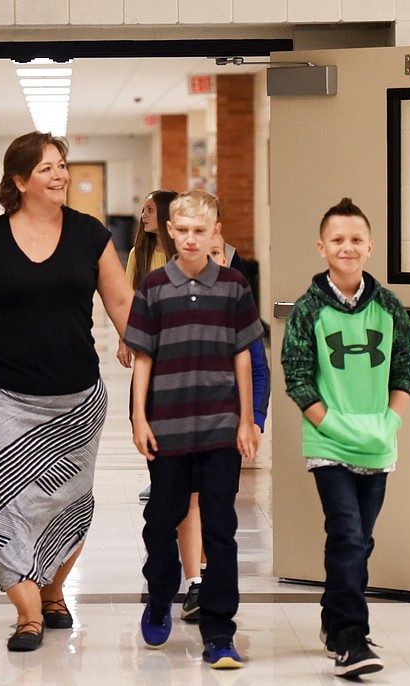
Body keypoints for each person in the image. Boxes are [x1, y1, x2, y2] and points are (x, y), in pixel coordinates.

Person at [0, 131, 135, 652]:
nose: (60, 174)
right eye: (47, 167)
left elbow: (122, 302)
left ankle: (53, 592)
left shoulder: (90, 234)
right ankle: (27, 613)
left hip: (76, 398)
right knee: (1, 503)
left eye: (62, 165)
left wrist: (148, 345)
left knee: (70, 502)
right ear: (20, 181)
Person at [124, 190, 262, 670]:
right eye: (180, 230)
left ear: (215, 231)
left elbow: (244, 354)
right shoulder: (153, 286)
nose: (189, 239)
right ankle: (160, 597)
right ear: (169, 231)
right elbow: (143, 356)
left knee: (220, 529)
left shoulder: (234, 286)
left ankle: (220, 632)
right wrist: (139, 417)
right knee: (162, 520)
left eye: (199, 231)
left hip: (221, 426)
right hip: (168, 426)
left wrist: (247, 419)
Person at [280, 197, 410, 679]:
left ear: (371, 246)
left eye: (356, 239)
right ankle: (351, 638)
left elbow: (404, 371)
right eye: (337, 239)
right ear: (322, 247)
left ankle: (333, 618)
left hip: (377, 444)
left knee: (361, 541)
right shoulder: (309, 309)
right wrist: (329, 424)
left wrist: (390, 423)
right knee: (347, 534)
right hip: (329, 444)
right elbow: (297, 375)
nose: (347, 247)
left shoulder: (390, 307)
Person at [178, 233, 271, 624]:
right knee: (188, 502)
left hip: (226, 423)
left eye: (218, 252)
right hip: (180, 422)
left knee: (217, 504)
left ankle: (215, 578)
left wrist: (255, 421)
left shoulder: (240, 310)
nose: (210, 259)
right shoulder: (171, 301)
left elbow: (260, 370)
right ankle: (195, 581)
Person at [118, 190, 178, 506]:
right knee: (143, 413)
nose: (143, 216)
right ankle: (157, 478)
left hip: (178, 347)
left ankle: (174, 477)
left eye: (150, 210)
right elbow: (128, 300)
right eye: (143, 210)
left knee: (174, 414)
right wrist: (124, 340)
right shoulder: (137, 254)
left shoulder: (182, 252)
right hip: (148, 347)